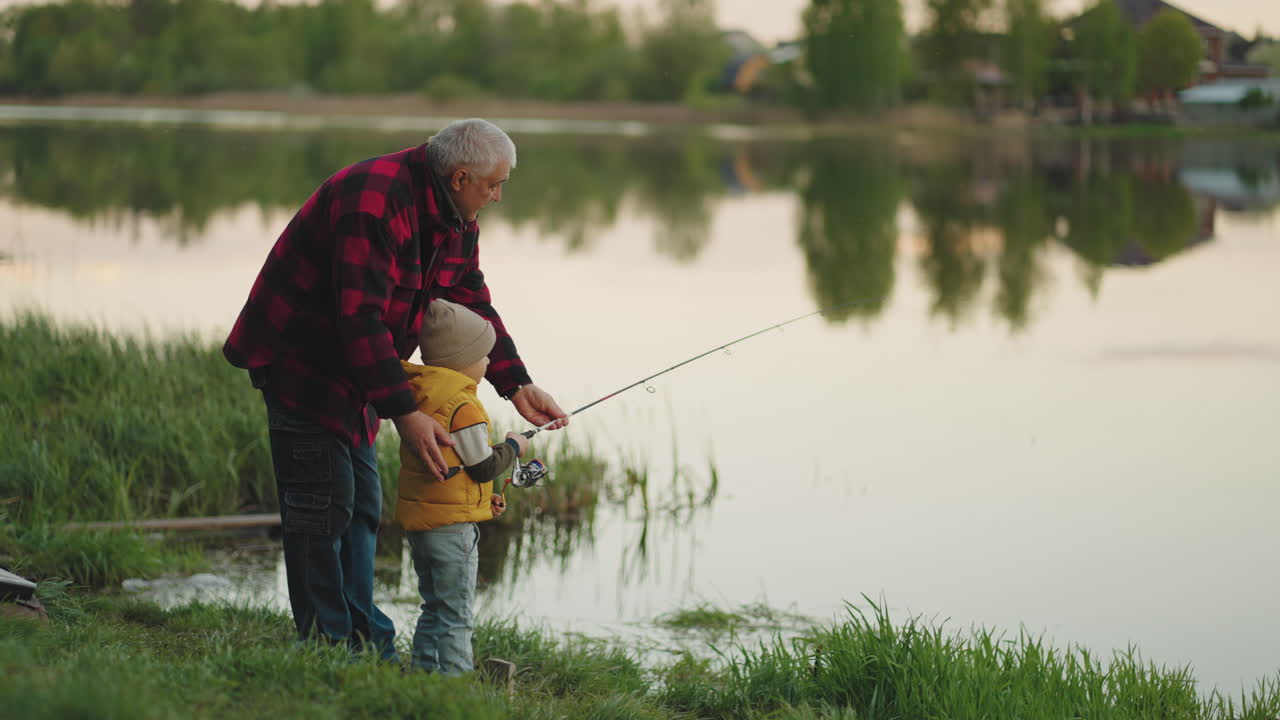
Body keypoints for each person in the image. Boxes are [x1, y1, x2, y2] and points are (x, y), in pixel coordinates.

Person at [222, 118, 567, 659]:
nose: (498, 196)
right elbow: (358, 319)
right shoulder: (374, 200)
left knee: (360, 507)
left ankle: (364, 640)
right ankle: (328, 649)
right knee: (322, 509)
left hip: (359, 371)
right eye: (493, 184)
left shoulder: (456, 215)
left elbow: (469, 296)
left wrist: (515, 382)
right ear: (459, 177)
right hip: (302, 360)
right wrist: (405, 412)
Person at [397, 299, 527, 675]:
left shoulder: (424, 395)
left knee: (434, 605)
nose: (488, 364)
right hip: (452, 532)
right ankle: (456, 688)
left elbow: (458, 471)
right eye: (484, 357)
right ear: (465, 361)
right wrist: (515, 446)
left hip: (424, 523)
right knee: (457, 614)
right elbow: (484, 466)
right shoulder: (463, 407)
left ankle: (422, 674)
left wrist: (487, 506)